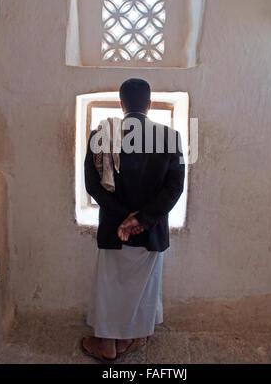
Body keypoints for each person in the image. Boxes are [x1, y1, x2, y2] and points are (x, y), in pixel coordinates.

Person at [81, 78, 185, 362]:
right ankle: (126, 339)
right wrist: (142, 218)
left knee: (110, 287)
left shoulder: (101, 134)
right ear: (149, 105)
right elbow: (175, 187)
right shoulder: (170, 137)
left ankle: (107, 345)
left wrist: (123, 219)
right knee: (141, 289)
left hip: (115, 230)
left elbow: (93, 186)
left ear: (121, 103)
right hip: (150, 231)